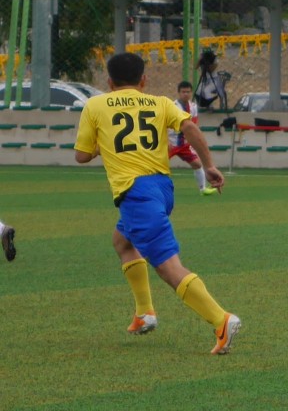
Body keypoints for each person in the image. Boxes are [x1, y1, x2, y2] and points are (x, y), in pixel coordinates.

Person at [73, 52, 241, 354]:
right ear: (143, 80)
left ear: (109, 82)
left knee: (169, 268)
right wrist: (209, 166)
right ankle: (144, 313)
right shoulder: (161, 102)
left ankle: (221, 319)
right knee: (123, 241)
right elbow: (190, 129)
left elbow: (82, 155)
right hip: (162, 189)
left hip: (135, 193)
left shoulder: (95, 105)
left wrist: (103, 144)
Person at [169, 81, 219, 195]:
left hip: (184, 144)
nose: (185, 94)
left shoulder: (193, 107)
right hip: (171, 143)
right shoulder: (172, 106)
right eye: (183, 92)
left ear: (191, 93)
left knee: (197, 164)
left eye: (188, 92)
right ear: (178, 93)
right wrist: (166, 139)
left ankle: (203, 189)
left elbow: (194, 124)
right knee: (158, 165)